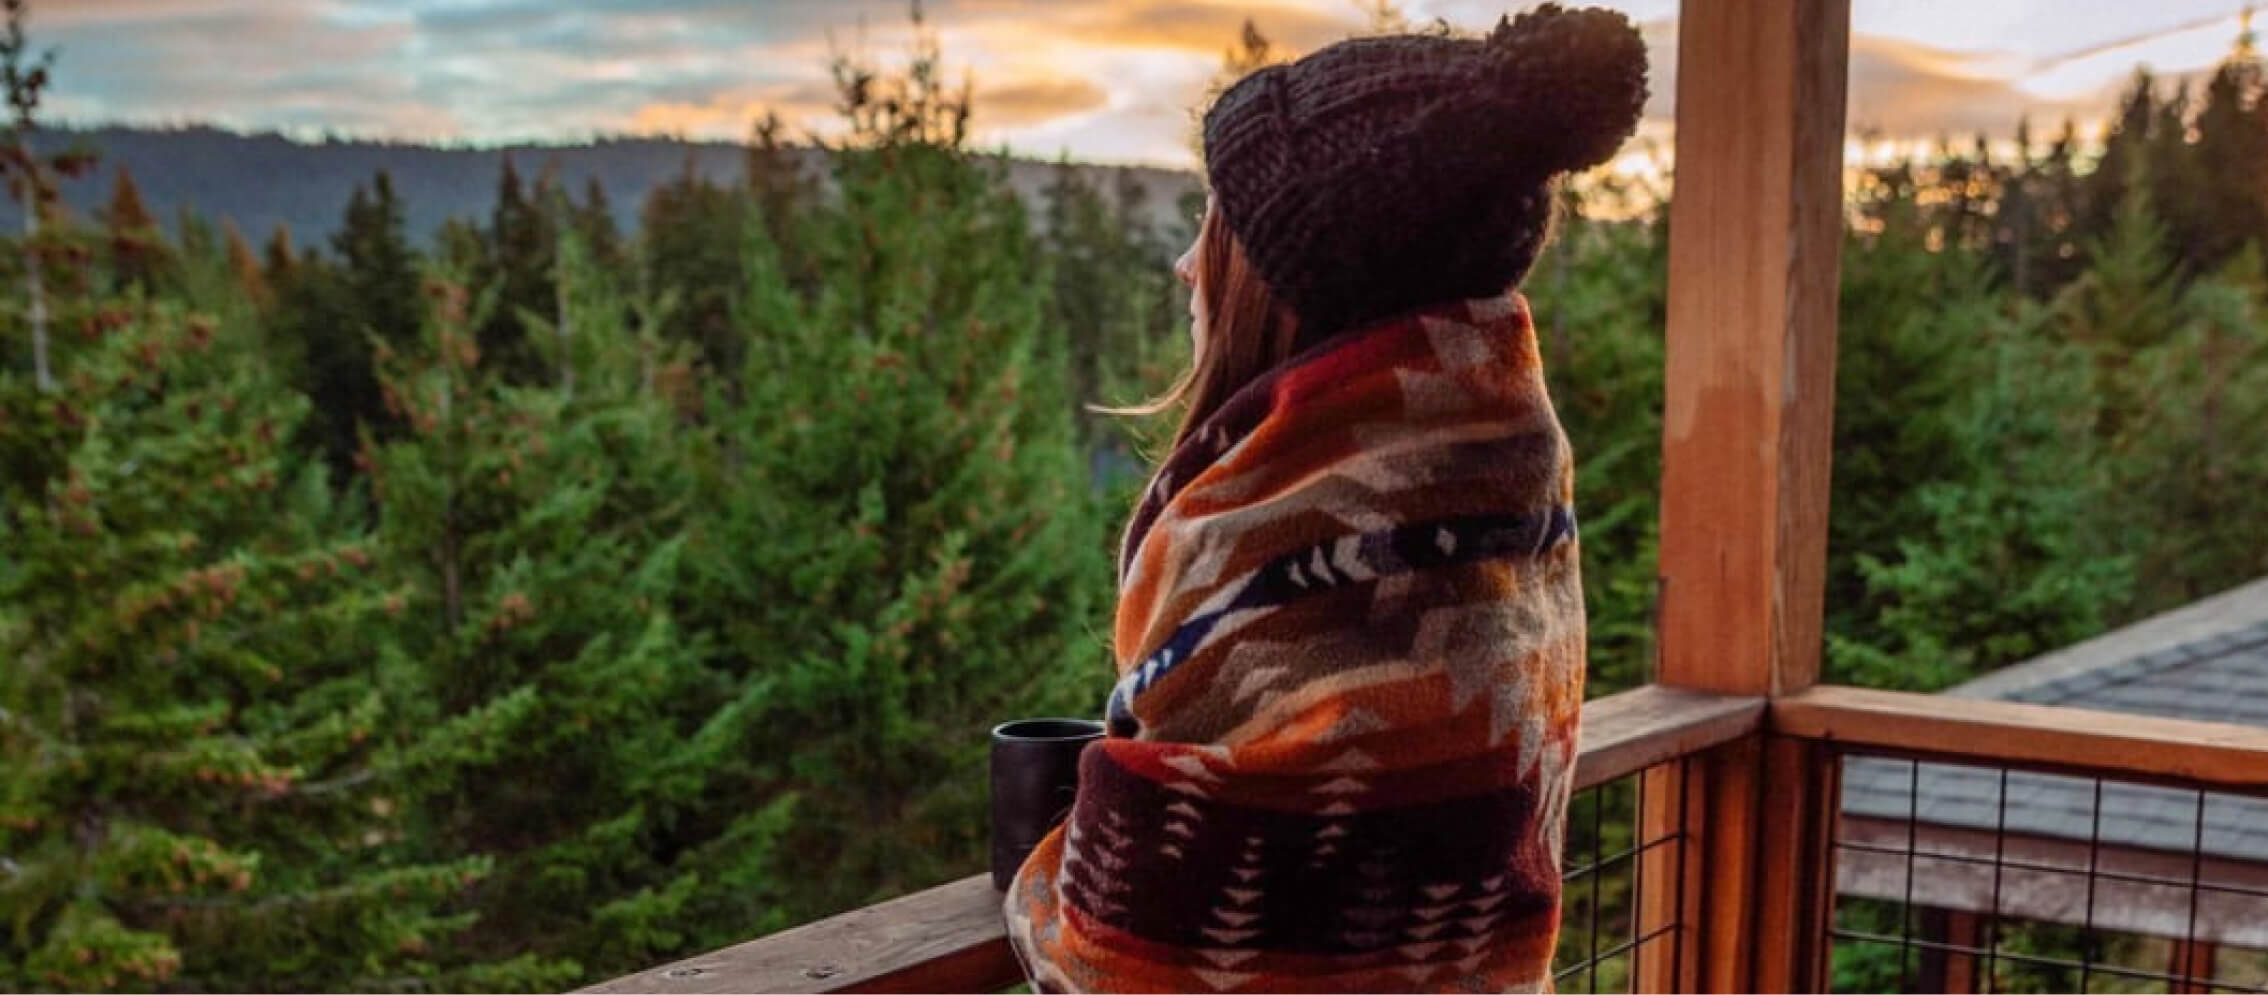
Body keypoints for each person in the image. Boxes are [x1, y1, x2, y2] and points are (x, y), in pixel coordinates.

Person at [1003, 5, 1648, 991]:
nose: (1188, 263)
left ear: (1301, 285)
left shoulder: (1262, 552)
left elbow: (1120, 950)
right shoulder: (1505, 505)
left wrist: (1042, 877)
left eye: (1216, 226)